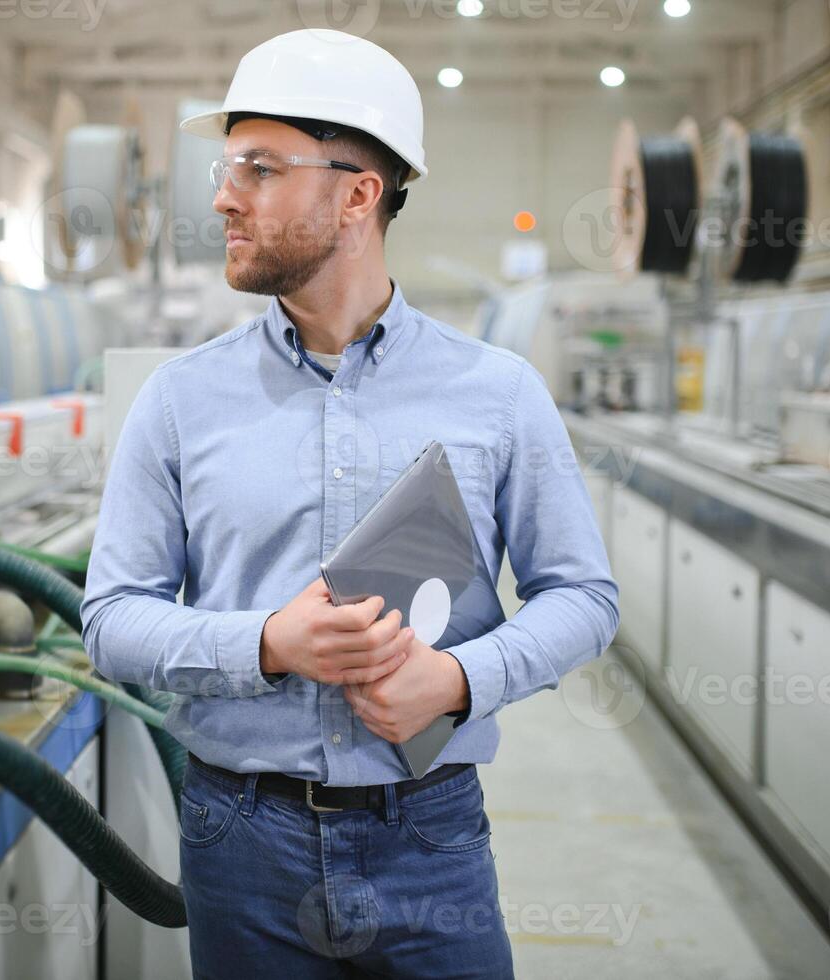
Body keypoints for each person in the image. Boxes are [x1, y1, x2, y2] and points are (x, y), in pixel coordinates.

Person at [80, 28, 619, 979]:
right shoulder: (179, 399)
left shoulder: (496, 393)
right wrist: (265, 645)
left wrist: (456, 682)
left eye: (256, 167)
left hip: (431, 836)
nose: (220, 196)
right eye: (225, 166)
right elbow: (110, 621)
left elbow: (582, 597)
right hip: (241, 837)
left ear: (357, 193)